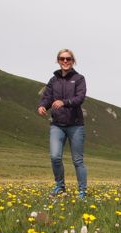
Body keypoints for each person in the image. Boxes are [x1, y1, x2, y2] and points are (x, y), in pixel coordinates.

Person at [38, 49, 88, 199]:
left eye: (68, 59)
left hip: (76, 125)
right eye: (62, 59)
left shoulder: (79, 79)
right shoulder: (53, 80)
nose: (65, 61)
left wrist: (64, 102)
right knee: (55, 157)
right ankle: (60, 186)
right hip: (57, 124)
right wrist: (42, 106)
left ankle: (82, 191)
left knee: (77, 160)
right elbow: (47, 97)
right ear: (58, 60)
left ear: (73, 61)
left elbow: (80, 98)